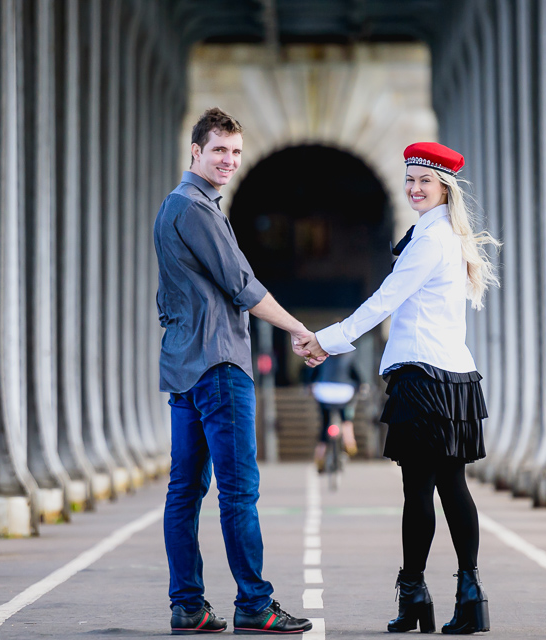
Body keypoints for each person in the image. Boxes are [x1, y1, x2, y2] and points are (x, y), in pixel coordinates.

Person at [298, 142, 498, 635]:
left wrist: (327, 340)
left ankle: (414, 598)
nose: (414, 188)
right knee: (452, 488)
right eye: (409, 179)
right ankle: (468, 595)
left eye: (424, 181)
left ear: (444, 187)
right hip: (455, 378)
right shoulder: (446, 236)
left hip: (421, 378)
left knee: (418, 493)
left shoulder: (429, 241)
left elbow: (386, 299)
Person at [153, 107, 325, 635]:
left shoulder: (174, 208)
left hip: (185, 367)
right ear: (196, 152)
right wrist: (299, 328)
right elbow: (242, 285)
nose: (228, 160)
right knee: (238, 491)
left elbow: (168, 298)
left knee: (185, 490)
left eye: (235, 152)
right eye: (220, 150)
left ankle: (188, 605)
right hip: (220, 366)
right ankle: (254, 602)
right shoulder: (197, 210)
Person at [308, 351, 363, 471]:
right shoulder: (349, 356)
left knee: (325, 423)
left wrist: (310, 387)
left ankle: (319, 457)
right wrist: (359, 388)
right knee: (346, 420)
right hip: (344, 392)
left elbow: (313, 376)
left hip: (324, 391)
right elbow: (357, 377)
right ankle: (349, 442)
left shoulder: (322, 356)